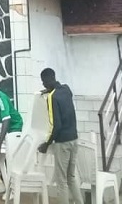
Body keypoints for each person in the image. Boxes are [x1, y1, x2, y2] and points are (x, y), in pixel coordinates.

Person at [37, 68, 83, 204]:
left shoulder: (52, 97)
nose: (43, 85)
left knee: (61, 181)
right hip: (74, 139)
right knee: (71, 177)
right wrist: (50, 90)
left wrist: (46, 143)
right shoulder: (66, 89)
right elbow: (60, 94)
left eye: (43, 83)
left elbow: (55, 125)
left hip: (62, 142)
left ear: (46, 81)